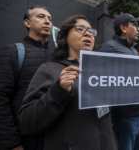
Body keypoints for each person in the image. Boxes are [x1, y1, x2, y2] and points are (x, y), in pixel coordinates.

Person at [18, 15, 117, 150]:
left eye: (91, 31)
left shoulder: (101, 73)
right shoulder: (50, 69)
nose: (88, 33)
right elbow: (27, 121)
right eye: (80, 29)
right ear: (65, 37)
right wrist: (58, 90)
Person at [0, 6, 54, 150]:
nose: (47, 21)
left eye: (50, 19)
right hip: (24, 141)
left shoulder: (56, 57)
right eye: (41, 17)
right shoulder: (12, 52)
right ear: (27, 23)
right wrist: (11, 144)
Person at [100, 13, 139, 150]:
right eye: (135, 25)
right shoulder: (109, 48)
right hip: (125, 117)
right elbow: (103, 83)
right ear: (123, 27)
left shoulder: (133, 50)